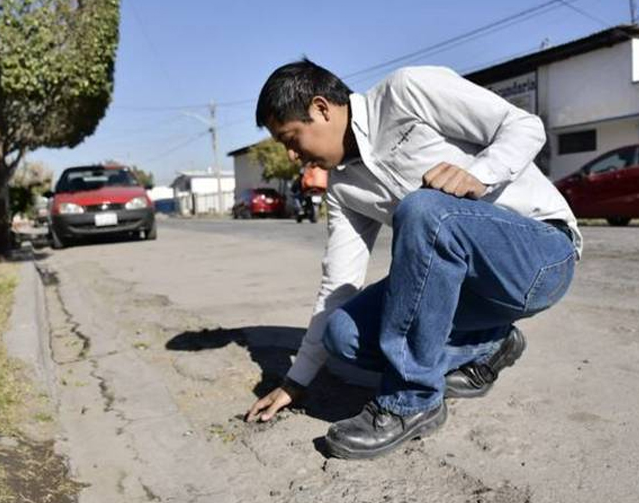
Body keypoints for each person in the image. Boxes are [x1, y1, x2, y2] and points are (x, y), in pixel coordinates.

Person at [245, 59, 582, 460]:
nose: (291, 155)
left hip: (541, 257)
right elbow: (337, 285)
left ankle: (411, 401)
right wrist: (296, 380)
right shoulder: (343, 187)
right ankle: (486, 344)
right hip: (468, 294)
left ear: (321, 108)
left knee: (424, 209)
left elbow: (526, 126)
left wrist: (480, 173)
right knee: (343, 334)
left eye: (291, 138)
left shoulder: (406, 92)